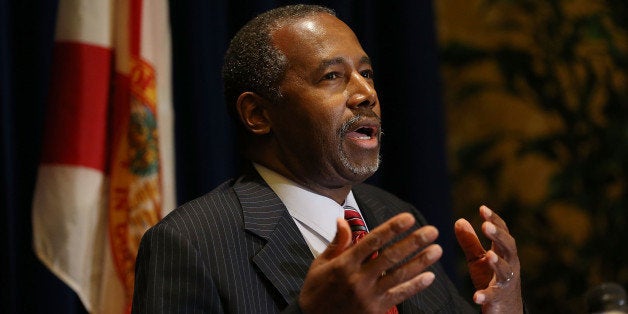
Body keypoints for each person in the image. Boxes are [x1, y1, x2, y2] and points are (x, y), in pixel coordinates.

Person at [132, 4, 523, 313]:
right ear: (258, 114)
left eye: (366, 73)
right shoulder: (190, 243)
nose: (364, 93)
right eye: (332, 77)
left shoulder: (395, 219)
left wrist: (503, 307)